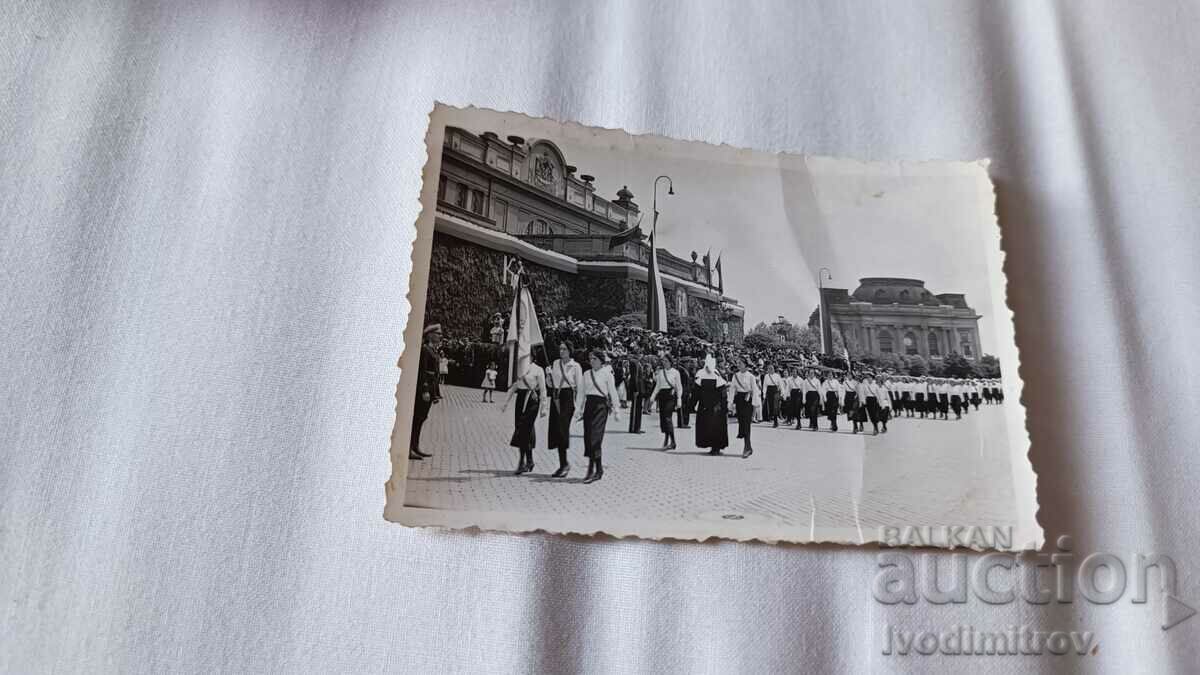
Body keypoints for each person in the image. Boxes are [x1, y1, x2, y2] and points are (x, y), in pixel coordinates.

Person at [574, 351, 622, 484]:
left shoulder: (607, 374)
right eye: (590, 359)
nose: (592, 361)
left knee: (595, 438)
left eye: (594, 359)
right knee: (588, 437)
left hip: (601, 407)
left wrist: (617, 409)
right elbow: (581, 393)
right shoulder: (586, 374)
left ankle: (593, 469)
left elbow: (612, 392)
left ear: (601, 360)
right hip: (589, 405)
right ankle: (596, 469)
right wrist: (578, 409)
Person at [501, 358, 548, 475]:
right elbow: (513, 387)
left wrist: (544, 407)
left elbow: (543, 389)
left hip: (532, 399)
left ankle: (522, 462)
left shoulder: (538, 369)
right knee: (522, 428)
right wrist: (506, 402)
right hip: (521, 399)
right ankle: (529, 460)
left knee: (525, 428)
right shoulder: (518, 369)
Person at [547, 342, 582, 477]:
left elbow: (579, 386)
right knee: (556, 430)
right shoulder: (555, 363)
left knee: (563, 429)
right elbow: (551, 384)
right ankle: (563, 464)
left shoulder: (575, 366)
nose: (561, 351)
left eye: (564, 349)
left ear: (570, 350)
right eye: (560, 349)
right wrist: (548, 376)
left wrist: (579, 407)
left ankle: (565, 464)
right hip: (556, 396)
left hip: (568, 397)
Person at [410, 323, 443, 460]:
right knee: (417, 419)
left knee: (421, 418)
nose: (440, 336)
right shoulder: (425, 350)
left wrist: (436, 393)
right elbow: (423, 372)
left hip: (430, 391)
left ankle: (415, 446)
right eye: (438, 334)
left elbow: (435, 374)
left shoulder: (433, 350)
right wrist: (425, 390)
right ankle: (410, 447)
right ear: (430, 335)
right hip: (425, 391)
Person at [694, 354, 730, 456]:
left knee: (714, 427)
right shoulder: (703, 375)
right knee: (710, 427)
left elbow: (722, 394)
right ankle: (713, 447)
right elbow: (696, 392)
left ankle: (716, 448)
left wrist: (725, 406)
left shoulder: (715, 375)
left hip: (714, 407)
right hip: (711, 406)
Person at [650, 354, 682, 450]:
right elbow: (658, 386)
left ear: (670, 362)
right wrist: (652, 397)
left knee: (668, 418)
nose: (663, 362)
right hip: (662, 396)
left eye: (665, 361)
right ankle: (666, 439)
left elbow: (679, 387)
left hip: (670, 395)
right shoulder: (660, 372)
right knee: (663, 419)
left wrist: (679, 399)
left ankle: (673, 442)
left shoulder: (675, 372)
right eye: (663, 361)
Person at [730, 359, 758, 458]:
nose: (738, 365)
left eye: (740, 363)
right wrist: (730, 403)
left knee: (746, 424)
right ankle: (749, 447)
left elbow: (755, 390)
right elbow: (732, 389)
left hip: (748, 401)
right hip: (739, 400)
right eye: (738, 363)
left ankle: (746, 448)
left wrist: (755, 406)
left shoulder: (751, 377)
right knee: (742, 422)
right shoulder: (735, 376)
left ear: (746, 365)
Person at [627, 356, 646, 433]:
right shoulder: (634, 362)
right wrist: (636, 389)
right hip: (637, 388)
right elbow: (634, 377)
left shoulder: (637, 362)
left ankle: (637, 426)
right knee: (635, 408)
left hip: (640, 387)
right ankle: (633, 428)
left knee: (638, 408)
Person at [762, 363, 784, 428]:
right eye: (769, 368)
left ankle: (775, 421)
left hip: (775, 390)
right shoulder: (766, 376)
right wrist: (764, 394)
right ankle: (773, 418)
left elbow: (781, 385)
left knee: (775, 406)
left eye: (772, 368)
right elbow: (764, 386)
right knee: (771, 406)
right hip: (769, 391)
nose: (770, 369)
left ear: (774, 369)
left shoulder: (777, 376)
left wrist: (782, 393)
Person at [676, 359, 694, 429]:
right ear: (684, 363)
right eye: (687, 363)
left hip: (686, 391)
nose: (689, 364)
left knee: (686, 407)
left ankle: (685, 422)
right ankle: (682, 423)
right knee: (682, 408)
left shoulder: (686, 371)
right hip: (683, 391)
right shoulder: (681, 371)